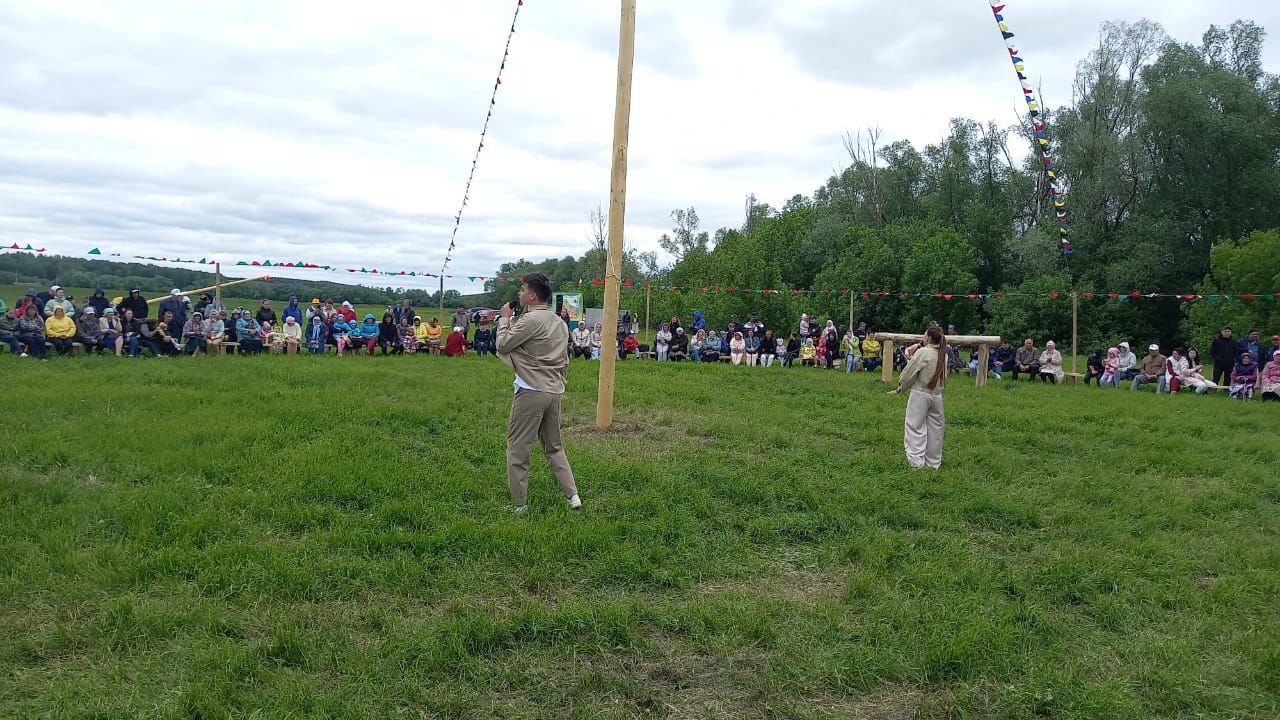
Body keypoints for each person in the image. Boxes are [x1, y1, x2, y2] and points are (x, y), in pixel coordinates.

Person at [496, 273, 580, 512]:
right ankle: (572, 496)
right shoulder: (558, 322)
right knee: (554, 447)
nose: (520, 293)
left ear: (532, 295)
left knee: (518, 448)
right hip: (554, 391)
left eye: (522, 289)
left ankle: (519, 504)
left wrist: (504, 320)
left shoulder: (531, 320)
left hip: (531, 390)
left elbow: (503, 344)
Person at [888, 326, 947, 470]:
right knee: (935, 430)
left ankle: (916, 463)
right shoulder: (943, 353)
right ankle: (933, 464)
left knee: (915, 427)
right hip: (937, 395)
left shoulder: (923, 352)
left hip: (921, 393)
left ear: (928, 337)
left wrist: (901, 387)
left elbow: (909, 373)